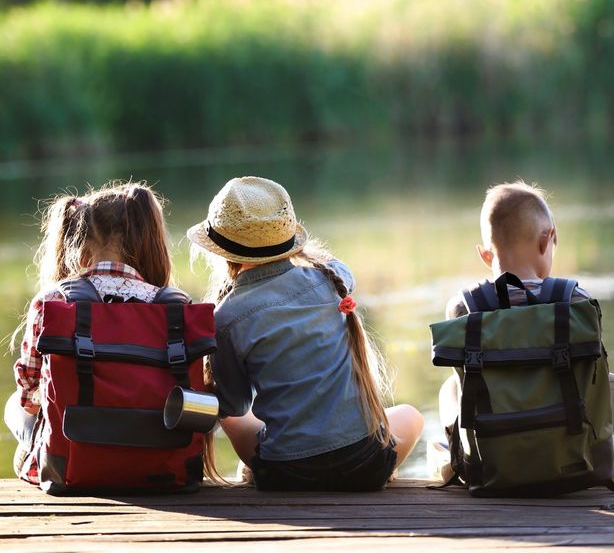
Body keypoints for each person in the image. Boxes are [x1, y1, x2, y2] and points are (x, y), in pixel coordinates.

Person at [188, 175, 423, 491]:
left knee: (230, 416)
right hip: (366, 465)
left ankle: (254, 468)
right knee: (411, 415)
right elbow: (335, 265)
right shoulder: (333, 279)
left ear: (221, 252)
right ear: (291, 238)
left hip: (286, 476)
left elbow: (235, 405)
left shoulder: (225, 317)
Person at [5, 180, 175, 487]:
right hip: (161, 460)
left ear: (79, 246)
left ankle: (37, 460)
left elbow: (31, 398)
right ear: (143, 240)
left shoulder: (54, 301)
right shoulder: (173, 305)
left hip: (73, 463)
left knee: (12, 408)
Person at [428, 180, 593, 480]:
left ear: (485, 254)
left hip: (493, 464)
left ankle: (454, 462)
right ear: (547, 240)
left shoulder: (464, 310)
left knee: (450, 389)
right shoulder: (574, 302)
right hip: (570, 460)